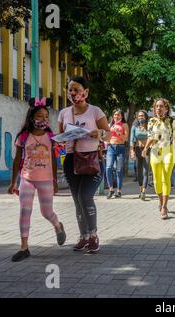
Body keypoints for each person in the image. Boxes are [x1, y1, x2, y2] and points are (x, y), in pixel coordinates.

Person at [7, 97, 66, 262]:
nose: (43, 119)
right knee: (25, 211)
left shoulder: (50, 137)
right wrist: (13, 182)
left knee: (46, 212)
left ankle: (57, 225)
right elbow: (17, 160)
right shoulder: (23, 136)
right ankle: (24, 247)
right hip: (27, 179)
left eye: (46, 116)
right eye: (39, 116)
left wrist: (54, 181)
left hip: (46, 180)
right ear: (32, 118)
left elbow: (54, 160)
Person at [58, 76, 111, 253]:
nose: (73, 93)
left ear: (85, 92)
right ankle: (84, 236)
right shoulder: (64, 113)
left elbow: (109, 135)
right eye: (70, 90)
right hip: (71, 159)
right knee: (77, 201)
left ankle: (94, 235)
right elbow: (60, 139)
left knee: (85, 197)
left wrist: (100, 133)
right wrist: (58, 142)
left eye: (76, 89)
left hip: (91, 159)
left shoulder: (95, 111)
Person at [142, 98, 175, 219]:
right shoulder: (151, 121)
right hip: (155, 151)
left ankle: (164, 207)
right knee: (156, 180)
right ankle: (160, 200)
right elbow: (150, 137)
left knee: (166, 177)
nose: (159, 108)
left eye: (161, 106)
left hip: (169, 151)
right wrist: (145, 148)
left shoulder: (172, 121)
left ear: (166, 108)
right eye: (157, 106)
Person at [106, 109, 129, 199]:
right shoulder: (110, 125)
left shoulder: (125, 125)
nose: (116, 116)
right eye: (115, 115)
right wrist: (104, 139)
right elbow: (107, 137)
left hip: (120, 147)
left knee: (119, 170)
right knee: (108, 167)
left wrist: (119, 132)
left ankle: (119, 191)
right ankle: (111, 189)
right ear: (113, 116)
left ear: (122, 116)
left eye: (119, 115)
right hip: (111, 148)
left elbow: (126, 138)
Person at [130, 110, 150, 200]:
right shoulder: (135, 127)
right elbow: (132, 140)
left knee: (146, 171)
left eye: (142, 116)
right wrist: (132, 151)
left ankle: (144, 192)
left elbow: (151, 137)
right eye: (139, 116)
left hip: (147, 150)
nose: (140, 117)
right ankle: (141, 189)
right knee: (139, 171)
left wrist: (146, 149)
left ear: (145, 117)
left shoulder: (149, 126)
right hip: (138, 149)